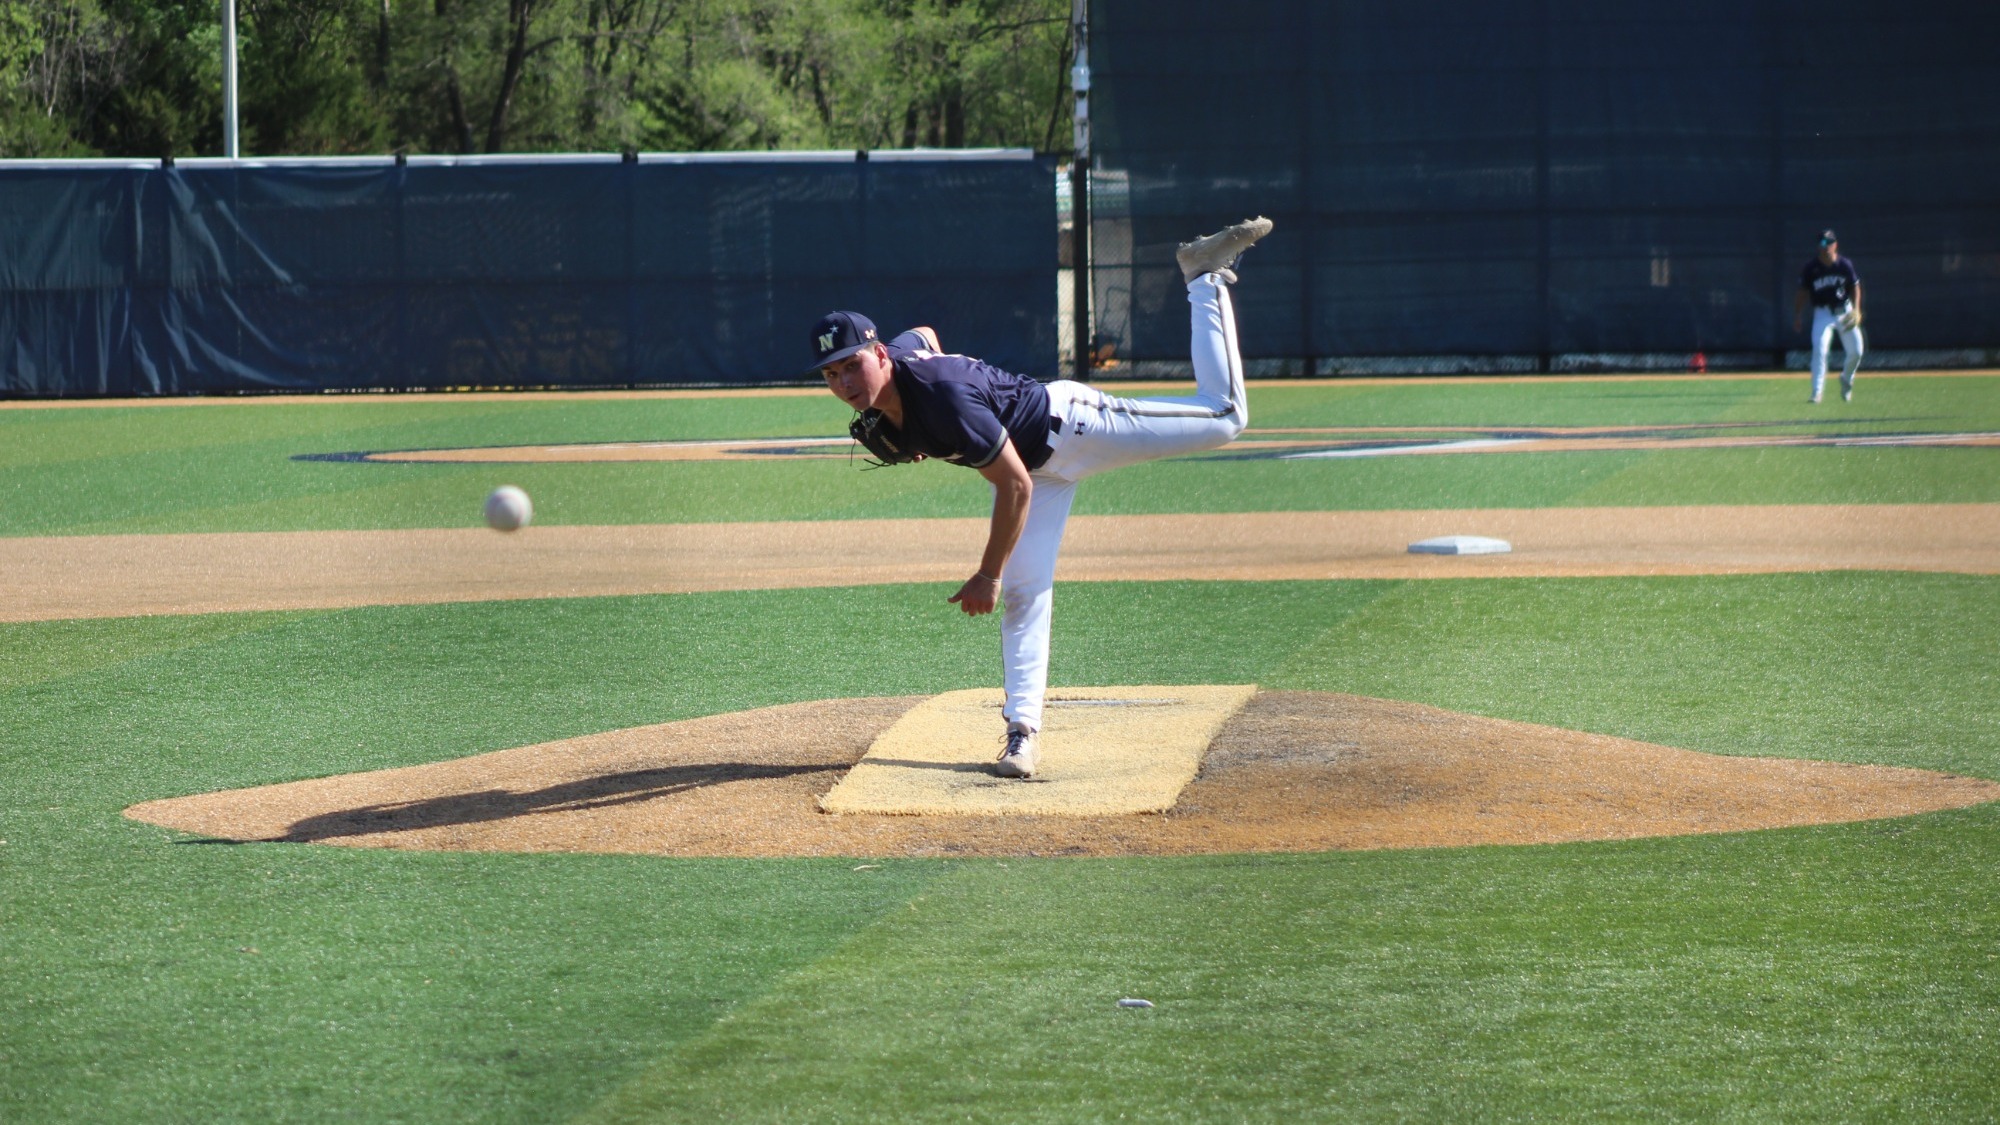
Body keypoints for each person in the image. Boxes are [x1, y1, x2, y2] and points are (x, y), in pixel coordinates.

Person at [809, 216, 1273, 778]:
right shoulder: (901, 376)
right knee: (1027, 595)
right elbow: (926, 335)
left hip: (1074, 426)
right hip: (1038, 465)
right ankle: (1020, 736)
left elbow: (1013, 485)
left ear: (879, 354)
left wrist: (986, 573)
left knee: (1225, 417)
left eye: (852, 364)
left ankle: (1202, 278)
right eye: (831, 375)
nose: (845, 384)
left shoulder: (945, 400)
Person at [1793, 229, 1863, 403]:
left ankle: (1847, 378)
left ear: (1835, 245)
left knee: (1857, 351)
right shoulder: (1811, 268)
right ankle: (1817, 392)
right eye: (1822, 243)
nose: (1826, 247)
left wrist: (1856, 309)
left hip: (1844, 311)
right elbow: (1802, 292)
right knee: (1820, 350)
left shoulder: (1844, 264)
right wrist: (1797, 315)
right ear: (1818, 246)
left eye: (1829, 243)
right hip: (1822, 313)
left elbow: (1855, 286)